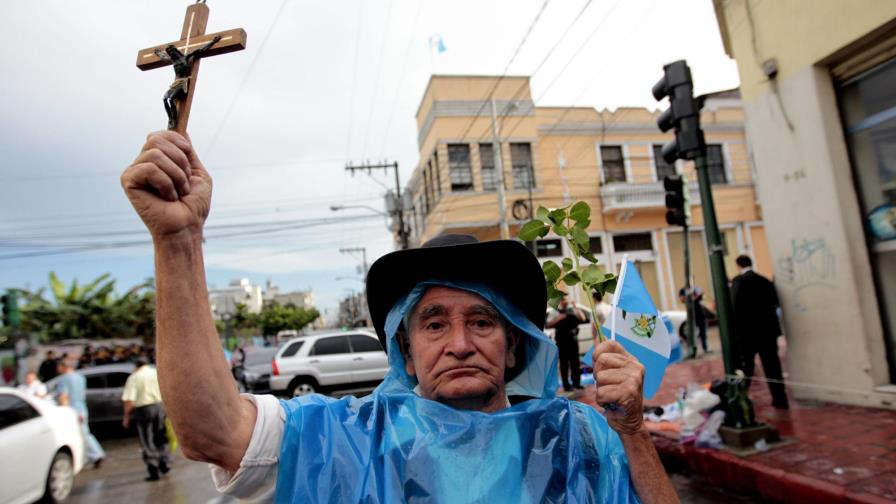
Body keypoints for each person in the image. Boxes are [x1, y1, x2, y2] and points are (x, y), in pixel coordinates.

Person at [120, 130, 678, 502]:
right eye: (434, 324)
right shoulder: (349, 439)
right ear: (404, 350)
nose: (459, 342)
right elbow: (210, 431)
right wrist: (178, 239)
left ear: (514, 345)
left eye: (482, 321)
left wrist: (633, 433)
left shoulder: (577, 438)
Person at [731, 255, 789, 409]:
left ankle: (741, 398)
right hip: (767, 332)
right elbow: (775, 302)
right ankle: (780, 399)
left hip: (747, 334)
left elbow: (735, 309)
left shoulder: (738, 282)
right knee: (772, 367)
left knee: (746, 368)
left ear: (738, 265)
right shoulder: (764, 280)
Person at [122, 356, 171, 481]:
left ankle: (153, 467)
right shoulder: (156, 373)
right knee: (160, 435)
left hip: (143, 410)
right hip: (159, 407)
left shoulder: (134, 377)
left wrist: (126, 417)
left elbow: (129, 400)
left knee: (147, 439)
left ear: (136, 366)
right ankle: (164, 462)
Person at [54, 359, 105, 468]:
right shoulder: (80, 377)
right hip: (81, 409)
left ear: (63, 367)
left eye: (58, 367)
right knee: (84, 433)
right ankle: (93, 454)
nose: (57, 369)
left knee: (81, 434)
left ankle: (95, 454)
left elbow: (63, 397)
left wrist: (63, 411)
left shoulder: (64, 380)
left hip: (72, 411)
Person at [547, 295, 588, 391]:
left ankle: (576, 383)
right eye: (563, 300)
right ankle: (566, 385)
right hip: (562, 341)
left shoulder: (572, 310)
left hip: (573, 340)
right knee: (564, 364)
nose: (565, 302)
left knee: (575, 363)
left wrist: (575, 307)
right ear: (560, 301)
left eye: (566, 299)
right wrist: (560, 318)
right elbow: (548, 324)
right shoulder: (554, 311)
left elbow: (582, 318)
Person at [677, 286, 709, 354]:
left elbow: (702, 296)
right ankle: (692, 351)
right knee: (690, 334)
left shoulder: (695, 289)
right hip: (691, 314)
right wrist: (689, 299)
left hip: (699, 313)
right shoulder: (683, 290)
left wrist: (695, 297)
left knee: (703, 332)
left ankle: (705, 348)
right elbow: (681, 299)